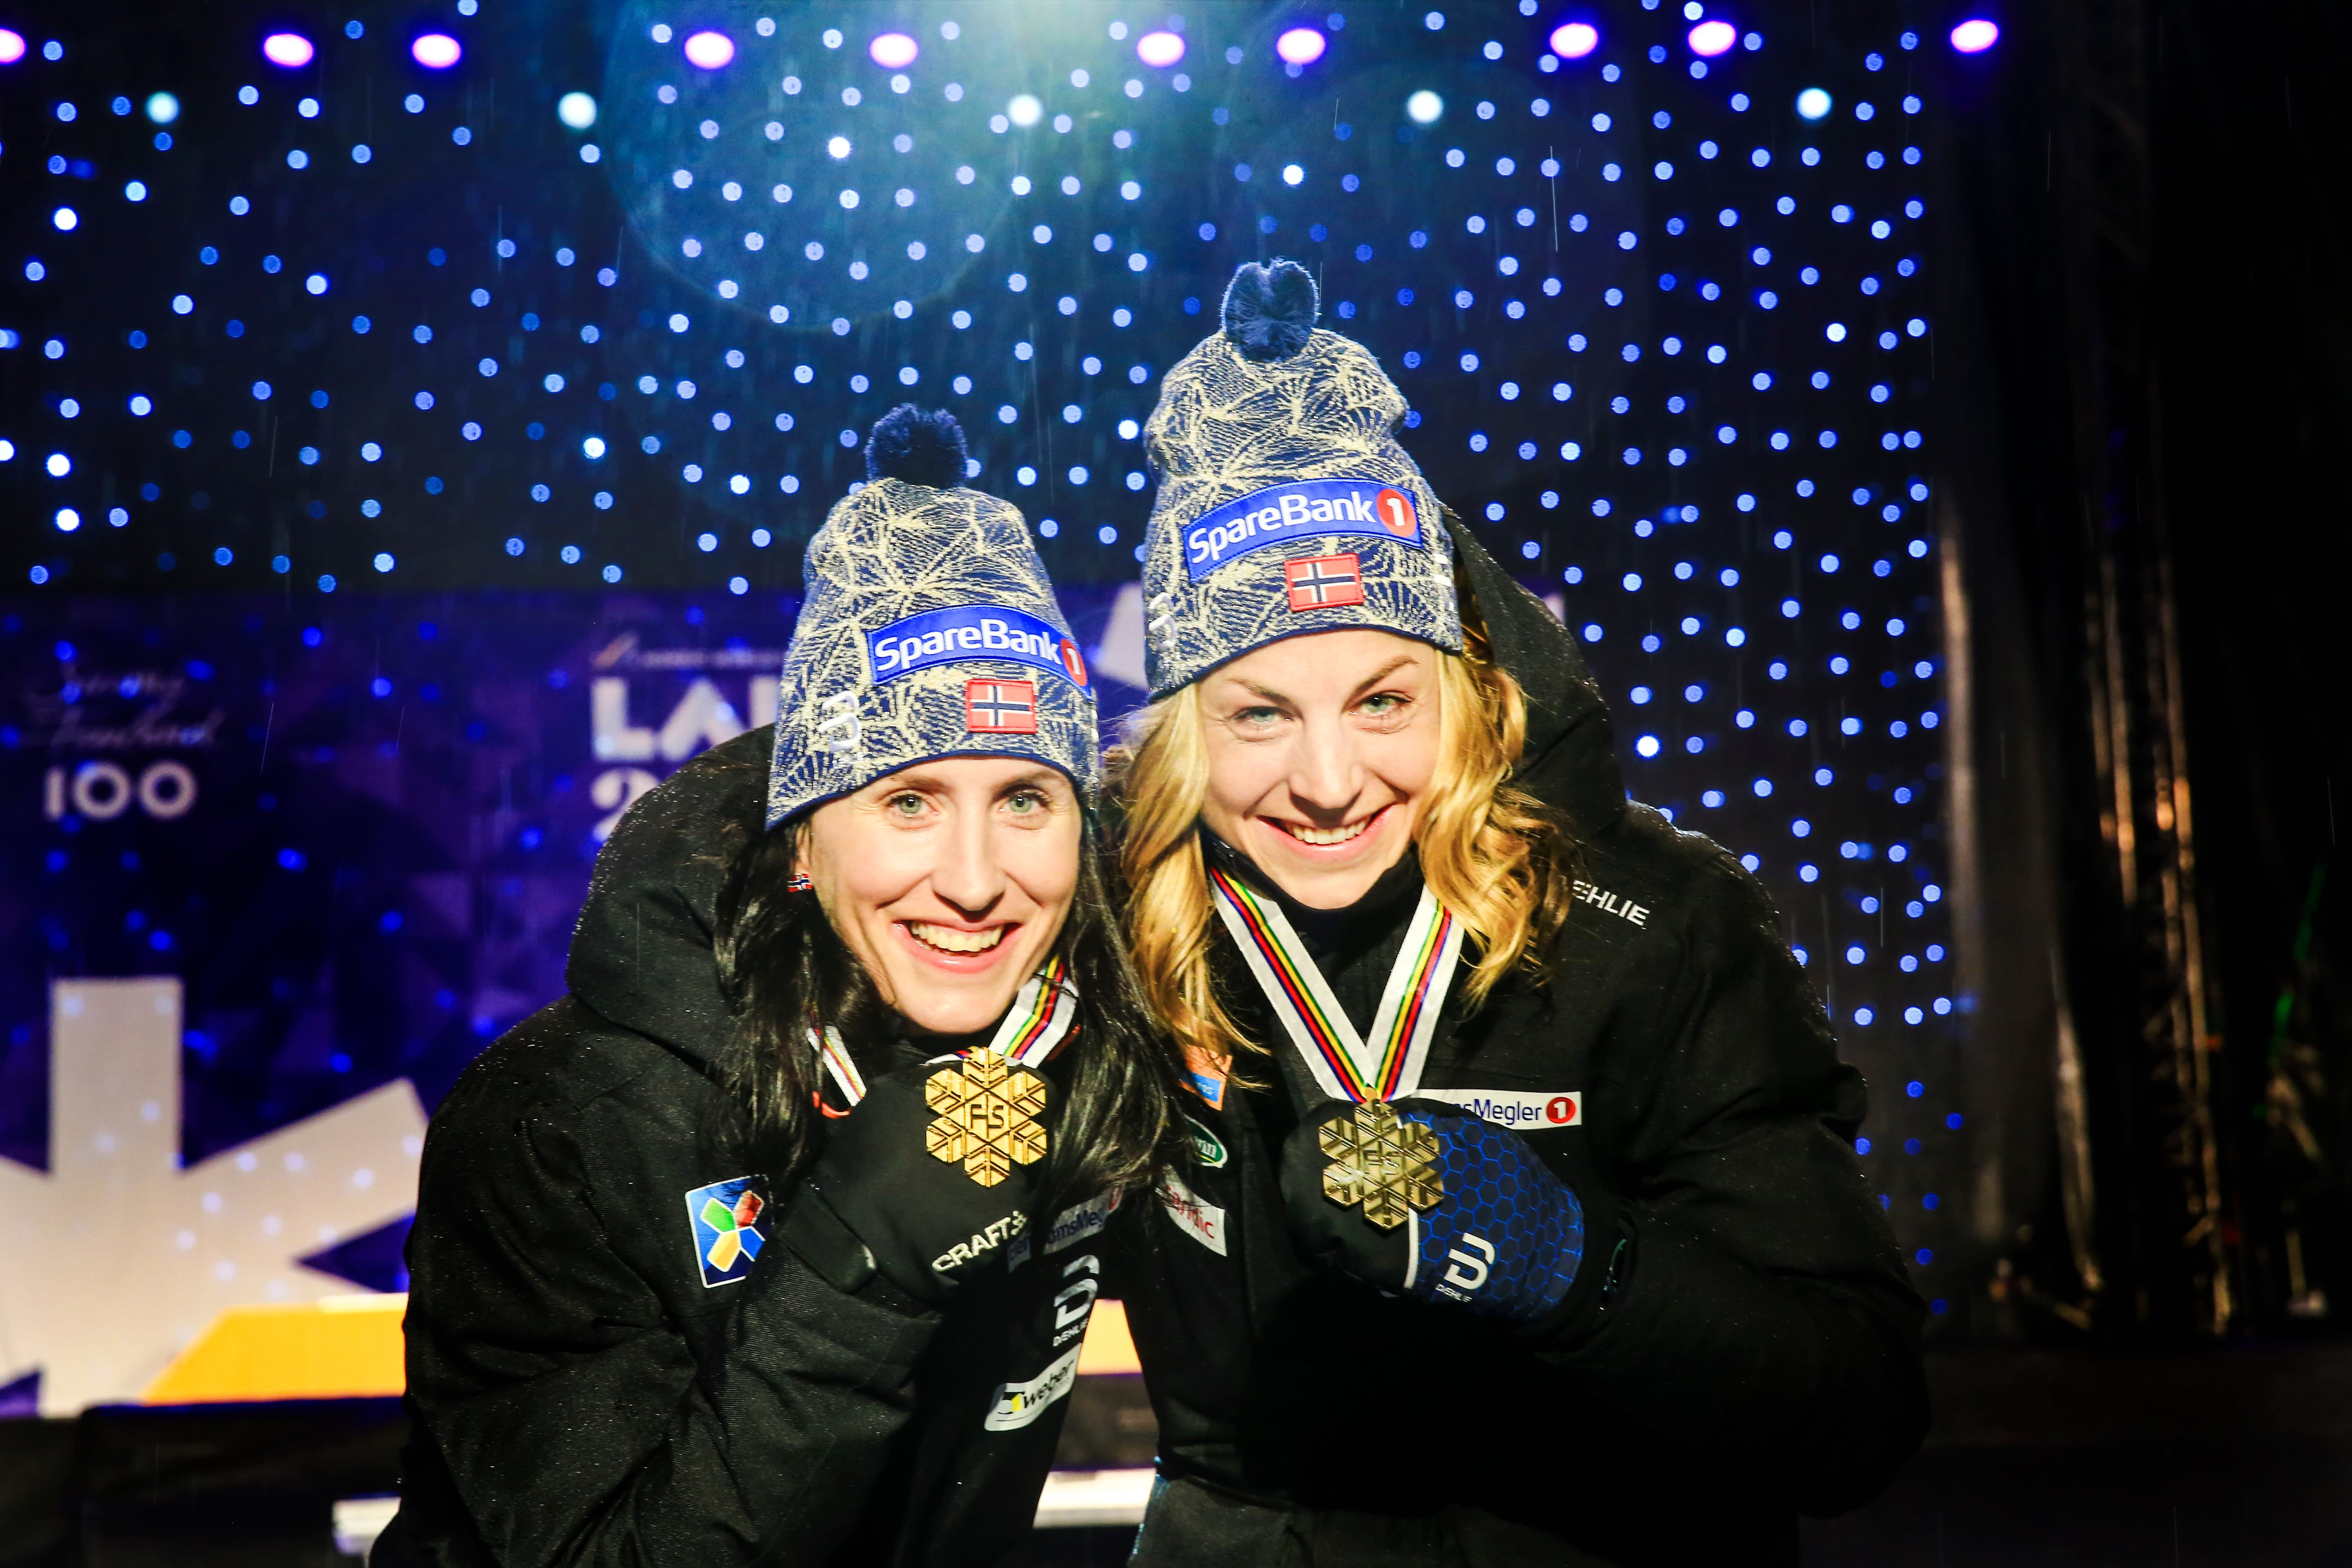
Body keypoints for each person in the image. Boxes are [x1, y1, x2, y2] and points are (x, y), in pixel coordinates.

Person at [1104, 261, 1930, 1567]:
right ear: (1180, 733)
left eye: (1383, 701)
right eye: (1259, 714)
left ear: (1469, 688)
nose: (1329, 783)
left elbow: (1855, 1416)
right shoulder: (1114, 931)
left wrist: (1573, 1265)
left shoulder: (1653, 925)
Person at [376, 407, 1188, 1568]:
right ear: (803, 840)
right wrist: (852, 1279)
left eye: (1024, 799)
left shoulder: (1090, 1047)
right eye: (908, 802)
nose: (974, 881)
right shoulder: (563, 1120)